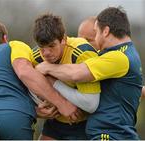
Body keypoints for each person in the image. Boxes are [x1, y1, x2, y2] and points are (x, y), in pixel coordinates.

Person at [36, 7, 143, 140]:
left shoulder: (119, 57)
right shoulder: (121, 54)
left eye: (95, 32)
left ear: (105, 31)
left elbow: (77, 73)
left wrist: (47, 69)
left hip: (112, 135)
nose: (87, 42)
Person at [0, 21, 79, 140]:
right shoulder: (12, 46)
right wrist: (61, 103)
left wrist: (34, 111)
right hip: (15, 118)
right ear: (5, 38)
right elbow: (24, 72)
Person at [32, 13, 100, 140]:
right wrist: (35, 110)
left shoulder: (82, 52)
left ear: (63, 39)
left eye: (52, 46)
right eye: (42, 47)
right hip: (54, 122)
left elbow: (91, 104)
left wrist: (53, 82)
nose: (46, 53)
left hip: (84, 124)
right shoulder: (35, 56)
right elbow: (23, 87)